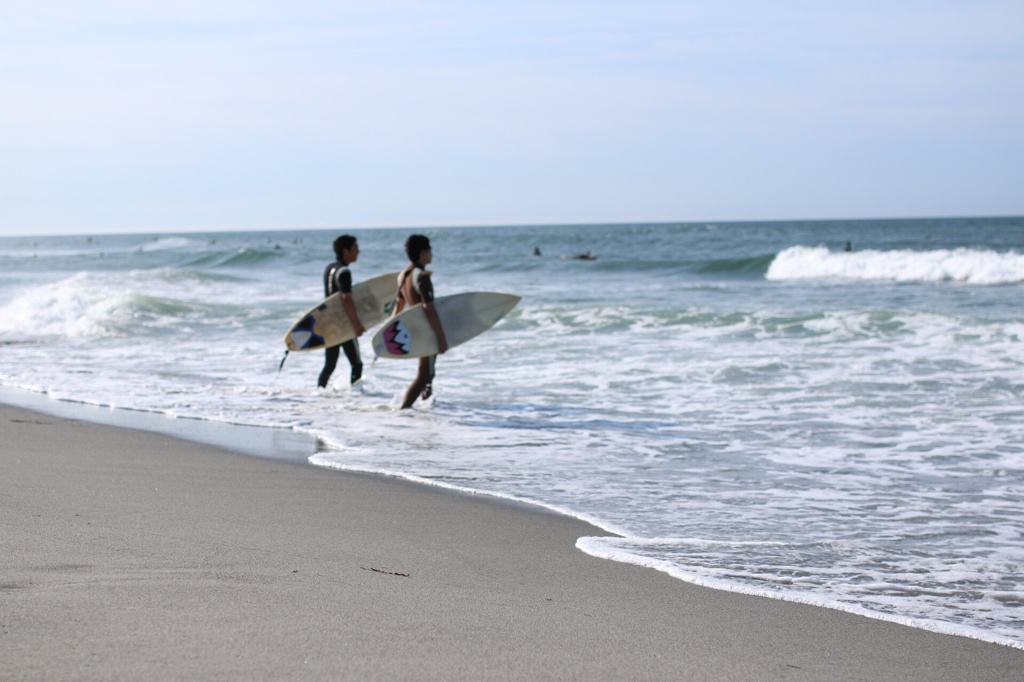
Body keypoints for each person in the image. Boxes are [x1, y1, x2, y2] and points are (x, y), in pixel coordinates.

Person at [393, 234, 448, 409]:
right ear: (423, 252)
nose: (431, 253)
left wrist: (392, 335)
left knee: (428, 373)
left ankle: (426, 408)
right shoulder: (422, 277)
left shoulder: (403, 276)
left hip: (414, 330)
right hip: (426, 330)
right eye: (429, 249)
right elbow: (429, 309)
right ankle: (404, 410)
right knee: (425, 375)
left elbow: (398, 307)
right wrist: (441, 336)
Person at [318, 235, 365, 389]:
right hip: (344, 325)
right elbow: (346, 299)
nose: (358, 251)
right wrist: (356, 324)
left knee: (329, 365)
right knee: (357, 364)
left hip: (330, 323)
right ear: (346, 251)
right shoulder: (344, 272)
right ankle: (357, 397)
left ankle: (319, 392)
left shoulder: (329, 268)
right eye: (355, 248)